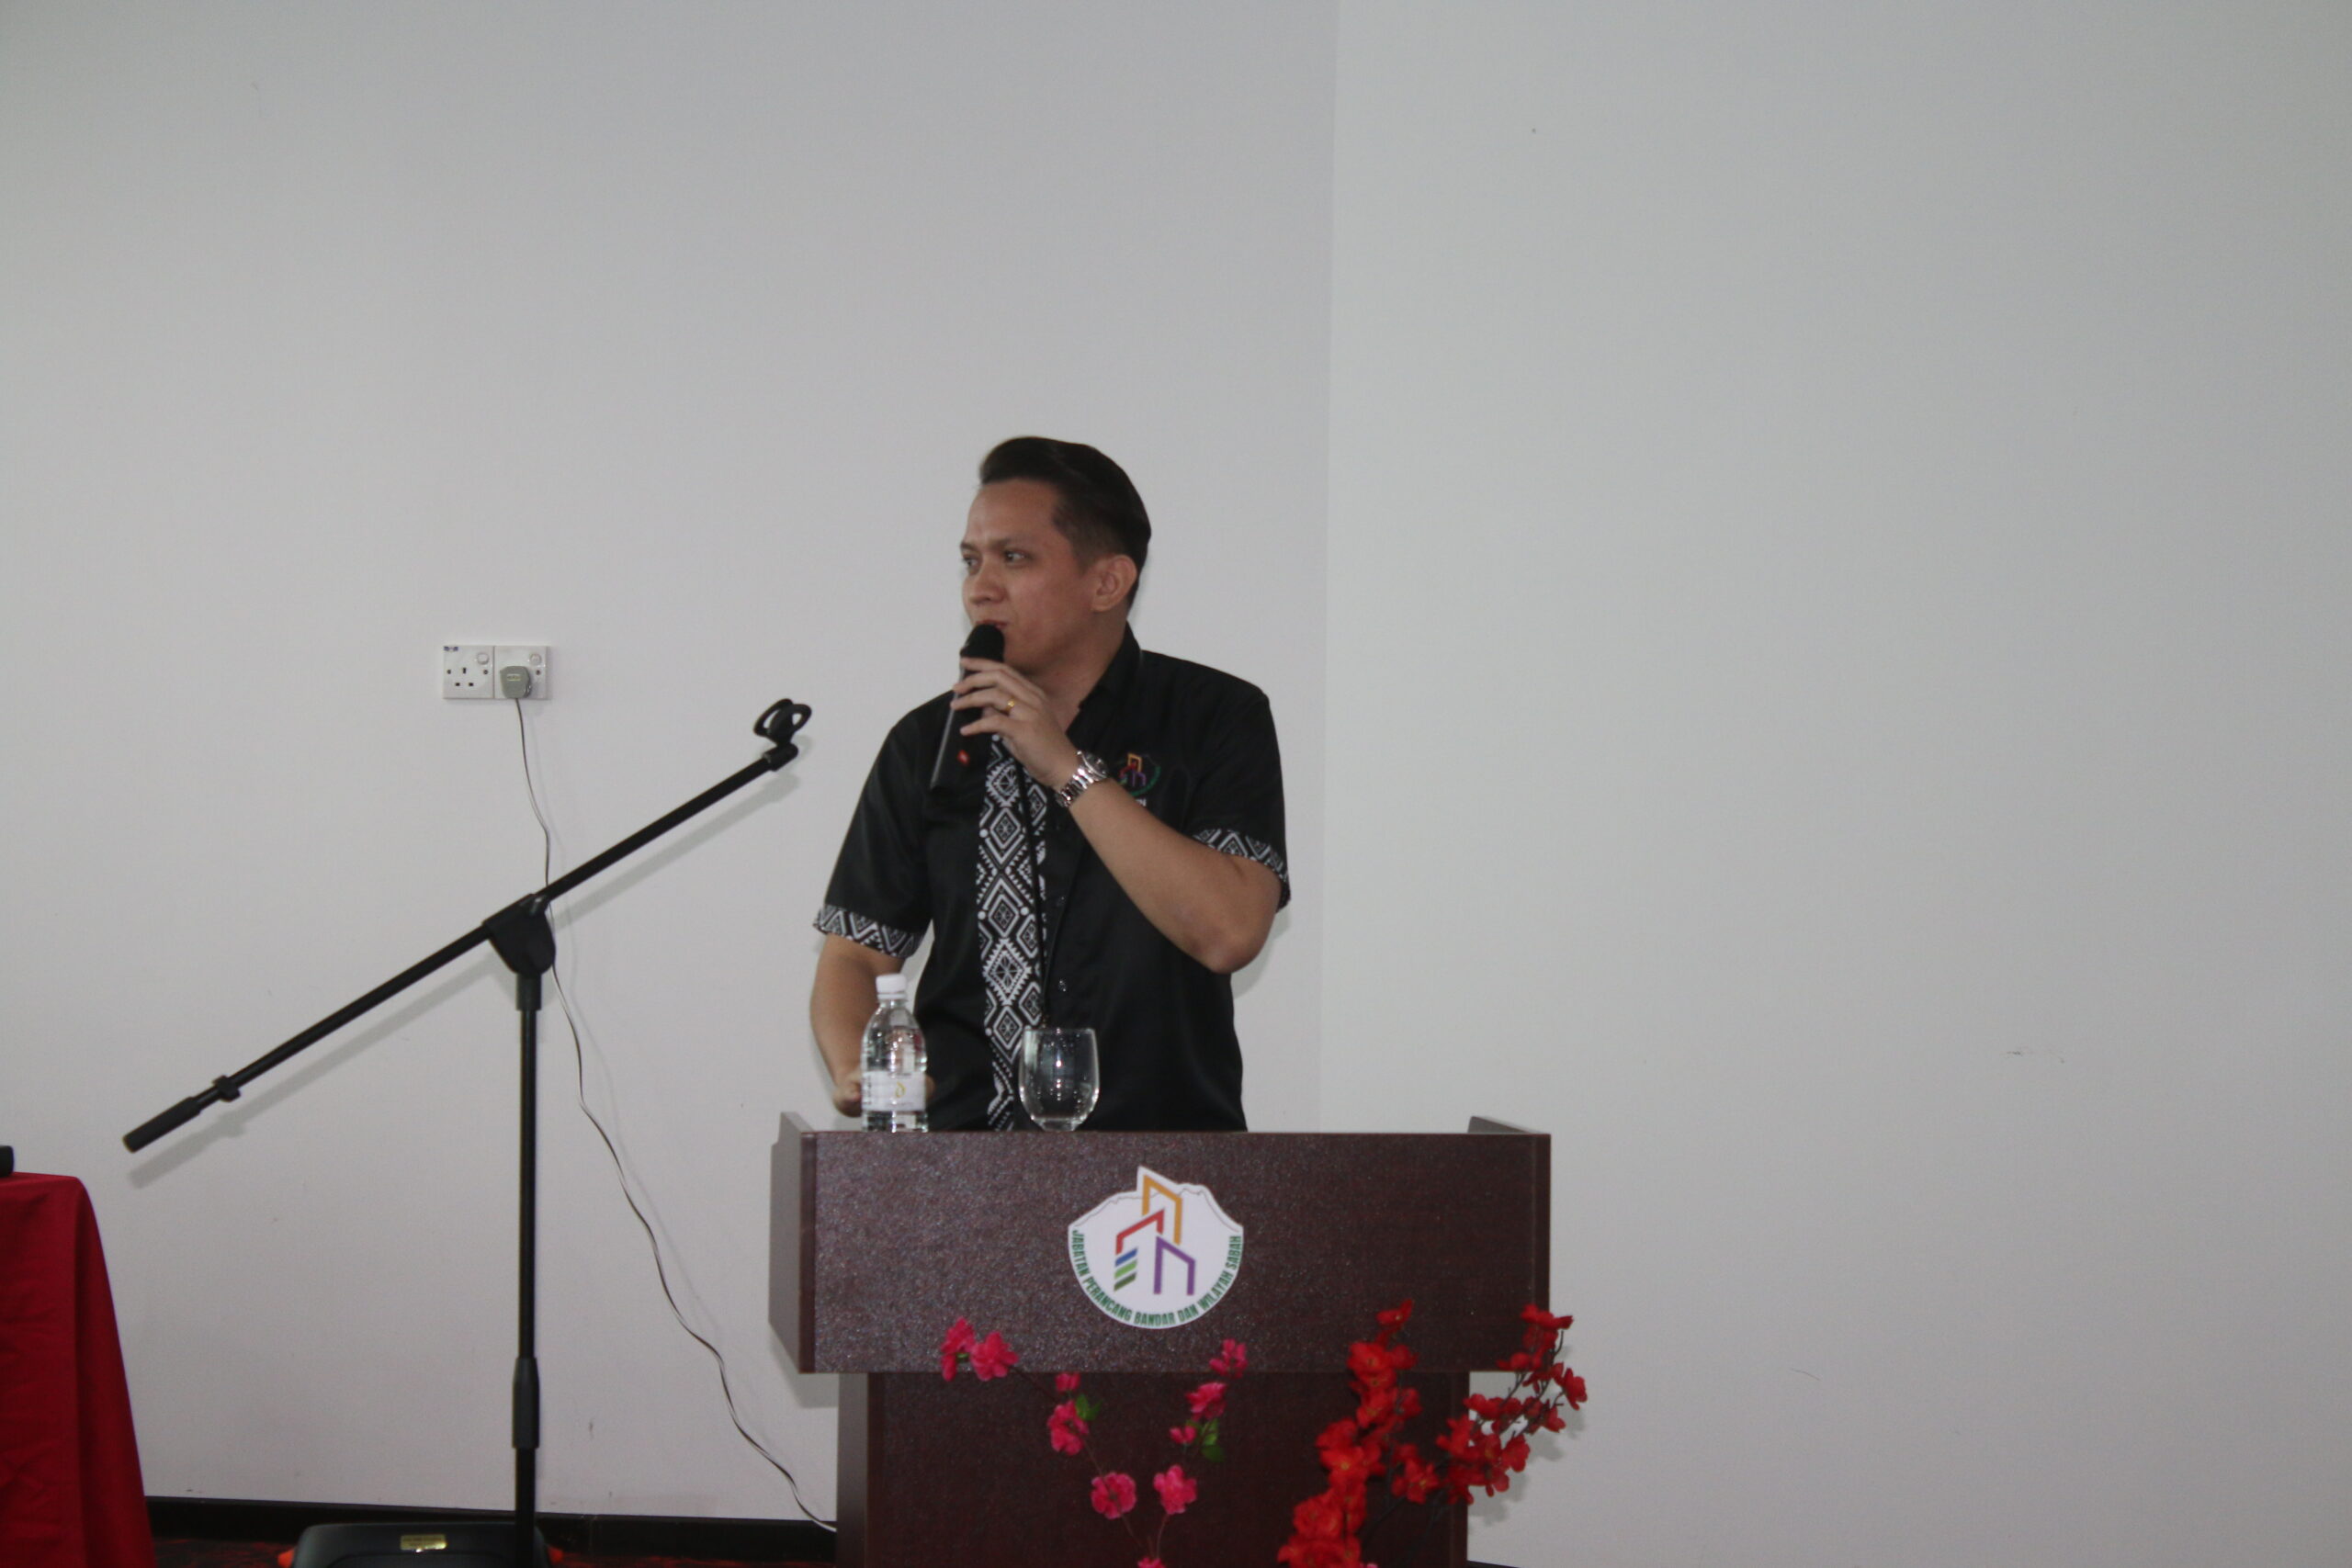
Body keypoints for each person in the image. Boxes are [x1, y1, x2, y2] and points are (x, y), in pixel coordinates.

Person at [809, 436, 1287, 1131]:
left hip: (1159, 1167)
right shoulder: (927, 741)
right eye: (971, 561)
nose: (981, 587)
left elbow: (1230, 932)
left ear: (1107, 583)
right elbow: (855, 954)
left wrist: (1065, 766)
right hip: (962, 1163)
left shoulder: (1214, 716)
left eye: (1014, 558)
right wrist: (861, 1067)